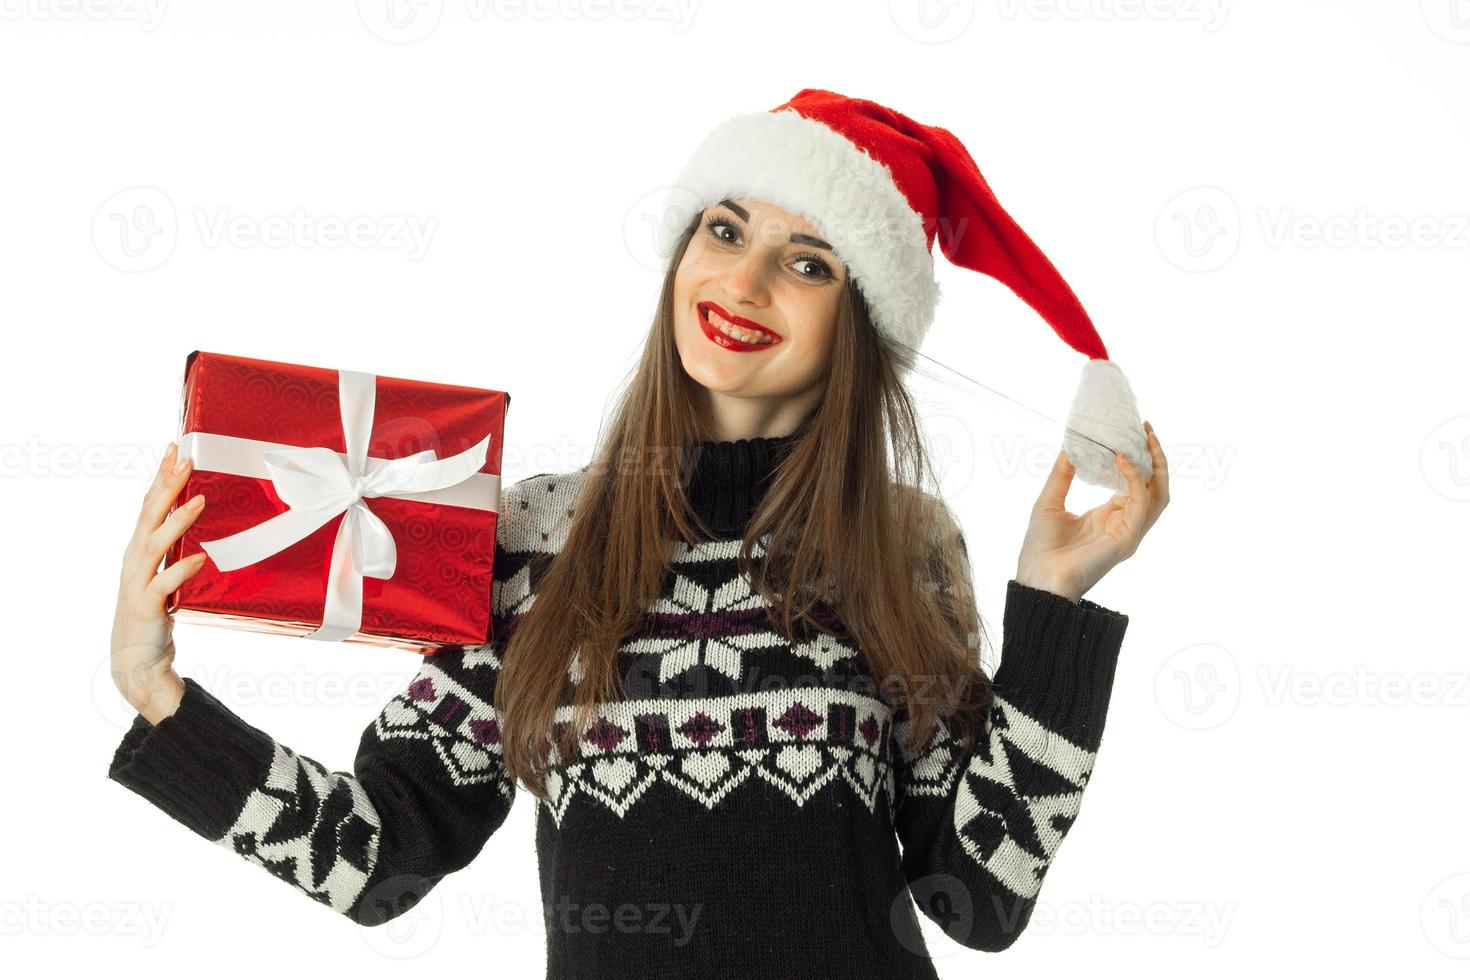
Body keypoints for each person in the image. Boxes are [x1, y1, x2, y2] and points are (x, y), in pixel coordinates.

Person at [108, 88, 1169, 979]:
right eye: (724, 230)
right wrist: (162, 695)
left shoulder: (904, 546)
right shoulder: (532, 540)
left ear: (861, 320)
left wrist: (1052, 609)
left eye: (808, 263)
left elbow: (980, 894)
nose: (743, 284)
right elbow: (378, 853)